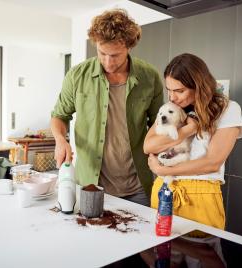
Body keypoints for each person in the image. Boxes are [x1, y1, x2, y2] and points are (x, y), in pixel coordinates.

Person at [51, 9, 164, 206]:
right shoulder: (77, 76)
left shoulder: (150, 77)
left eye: (115, 55)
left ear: (129, 47)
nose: (108, 62)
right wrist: (60, 140)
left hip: (137, 187)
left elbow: (159, 125)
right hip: (90, 184)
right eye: (102, 53)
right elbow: (59, 115)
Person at [144, 53, 242, 230]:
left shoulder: (228, 109)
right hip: (163, 190)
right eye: (169, 90)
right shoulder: (172, 109)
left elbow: (212, 163)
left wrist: (162, 169)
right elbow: (149, 146)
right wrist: (189, 129)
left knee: (202, 251)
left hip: (200, 197)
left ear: (199, 86)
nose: (172, 97)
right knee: (160, 253)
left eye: (179, 90)